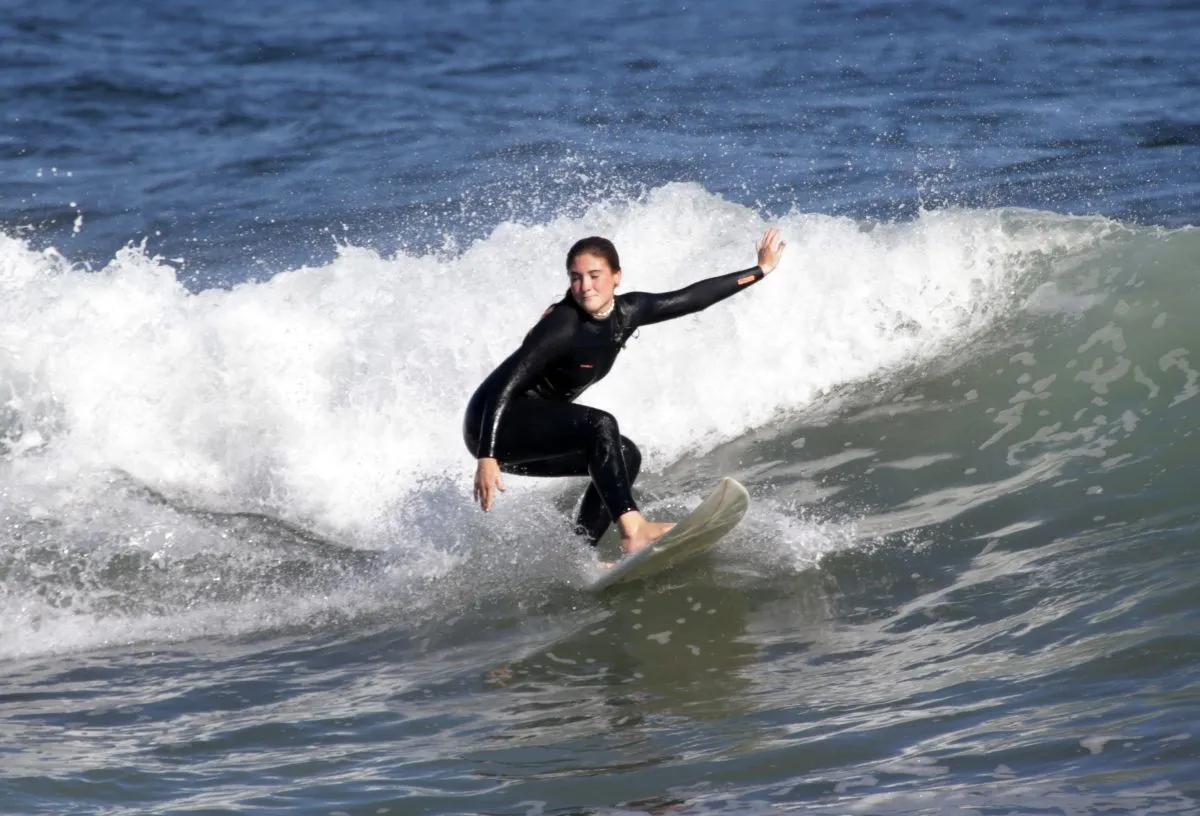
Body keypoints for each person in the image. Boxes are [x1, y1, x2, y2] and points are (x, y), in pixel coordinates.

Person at [463, 228, 787, 557]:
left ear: (616, 276)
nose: (585, 286)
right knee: (601, 424)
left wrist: (759, 270)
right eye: (576, 277)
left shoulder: (627, 312)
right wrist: (487, 456)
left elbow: (693, 299)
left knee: (624, 453)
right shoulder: (562, 325)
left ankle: (579, 551)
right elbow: (504, 385)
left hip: (530, 428)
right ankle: (634, 531)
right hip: (493, 425)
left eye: (594, 275)